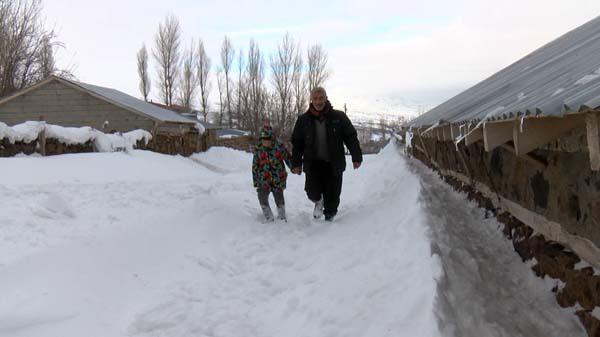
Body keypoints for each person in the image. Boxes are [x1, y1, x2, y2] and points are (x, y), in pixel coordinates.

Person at [290, 87, 362, 221]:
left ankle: (329, 220)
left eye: (321, 98)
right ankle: (318, 201)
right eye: (315, 98)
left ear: (326, 98)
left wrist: (356, 157)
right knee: (312, 192)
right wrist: (296, 163)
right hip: (313, 164)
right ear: (311, 100)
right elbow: (297, 143)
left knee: (333, 196)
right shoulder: (303, 120)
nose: (318, 101)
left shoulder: (339, 117)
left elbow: (351, 137)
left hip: (333, 163)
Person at [252, 124, 291, 222]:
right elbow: (255, 165)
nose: (265, 141)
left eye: (268, 139)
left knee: (278, 196)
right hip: (263, 178)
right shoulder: (258, 149)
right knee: (262, 195)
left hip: (278, 177)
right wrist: (256, 180)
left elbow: (287, 158)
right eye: (263, 139)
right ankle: (268, 215)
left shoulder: (279, 147)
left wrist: (294, 167)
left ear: (272, 138)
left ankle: (282, 215)